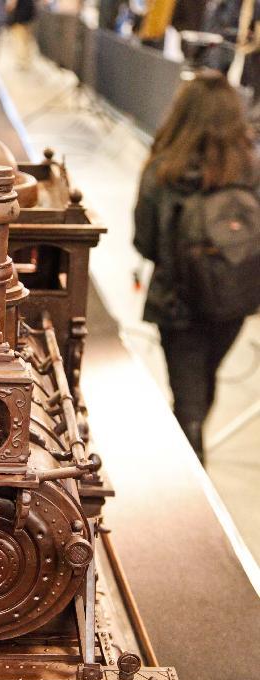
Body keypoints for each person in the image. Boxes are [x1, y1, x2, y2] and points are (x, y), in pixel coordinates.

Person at [134, 69, 259, 463]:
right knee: (205, 381)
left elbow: (144, 241)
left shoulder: (163, 169)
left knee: (187, 397)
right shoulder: (251, 169)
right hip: (234, 300)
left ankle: (192, 486)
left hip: (179, 303)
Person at [7, 0, 36, 69]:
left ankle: (22, 62)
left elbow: (11, 5)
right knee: (27, 41)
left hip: (19, 18)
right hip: (29, 18)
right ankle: (26, 61)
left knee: (20, 41)